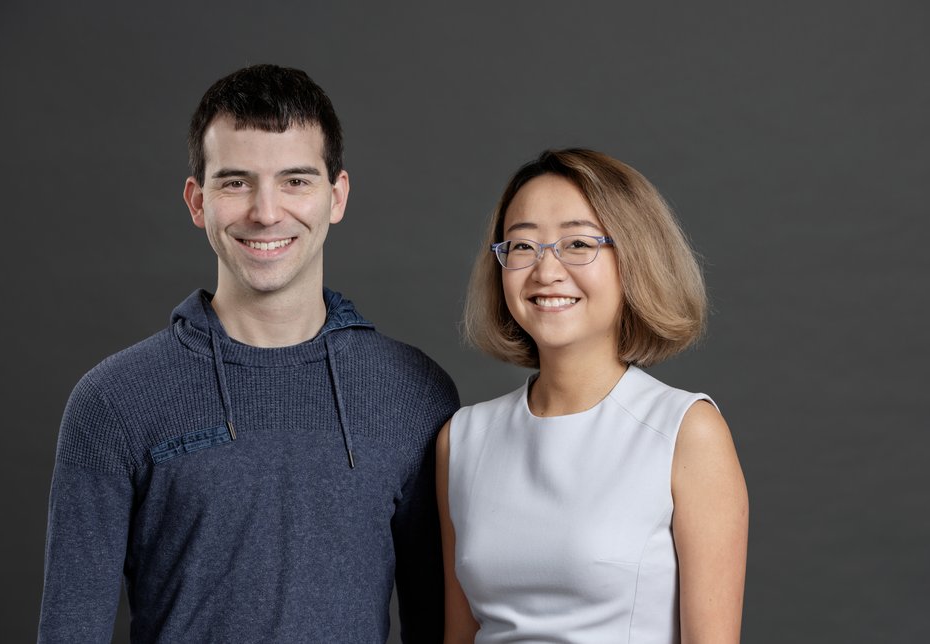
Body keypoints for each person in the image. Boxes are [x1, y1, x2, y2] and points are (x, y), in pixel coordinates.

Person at [38, 64, 458, 643]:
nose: (265, 212)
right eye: (235, 182)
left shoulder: (414, 393)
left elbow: (436, 625)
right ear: (197, 200)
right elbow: (69, 631)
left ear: (335, 197)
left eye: (295, 181)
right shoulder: (114, 401)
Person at [437, 149, 748, 643]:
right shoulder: (463, 438)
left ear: (634, 258)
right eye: (522, 247)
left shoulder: (685, 431)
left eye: (577, 243)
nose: (545, 271)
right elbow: (459, 634)